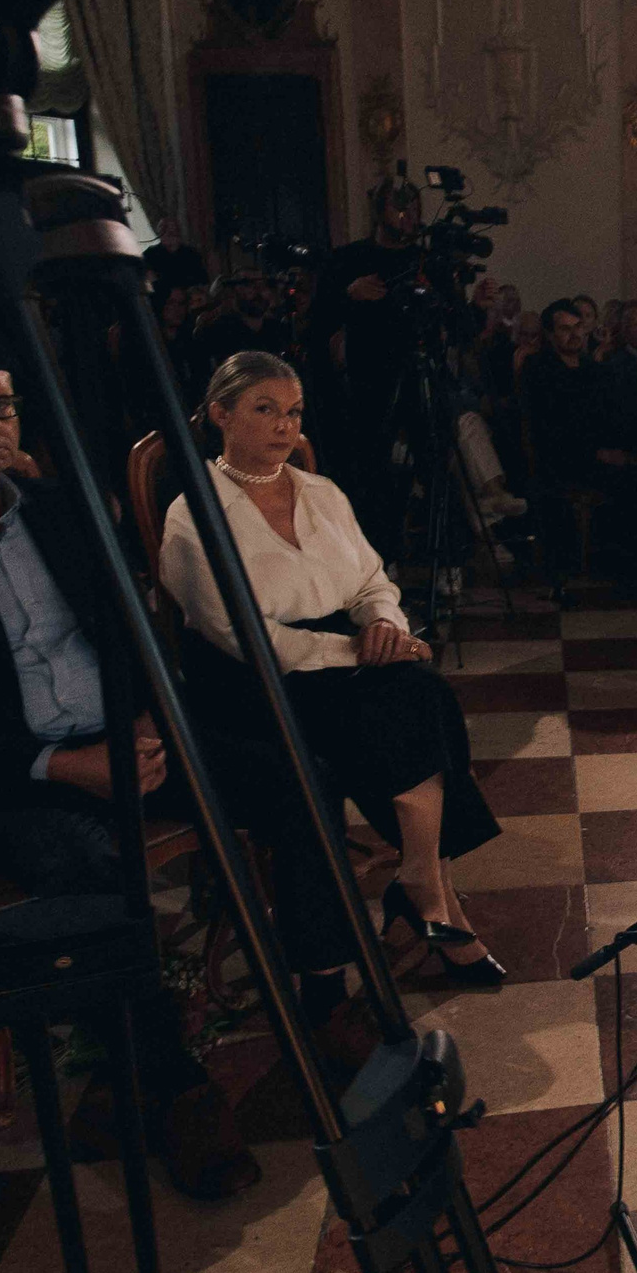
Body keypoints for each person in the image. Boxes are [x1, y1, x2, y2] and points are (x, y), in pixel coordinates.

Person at [0, 343, 267, 1199]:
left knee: (285, 776)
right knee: (90, 870)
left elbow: (132, 629)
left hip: (112, 733)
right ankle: (173, 1084)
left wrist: (150, 721)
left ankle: (323, 1005)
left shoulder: (55, 507)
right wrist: (59, 764)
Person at [161, 352, 508, 990]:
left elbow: (371, 581)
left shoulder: (321, 493)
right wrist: (356, 652)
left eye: (293, 412)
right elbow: (241, 637)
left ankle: (423, 882)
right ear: (219, 414)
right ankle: (432, 899)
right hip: (247, 681)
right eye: (264, 409)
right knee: (398, 703)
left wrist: (384, 626)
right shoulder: (194, 513)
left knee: (419, 691)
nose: (283, 427)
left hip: (339, 659)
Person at [313, 179, 434, 558]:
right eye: (400, 208)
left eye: (414, 209)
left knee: (434, 461)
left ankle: (444, 561)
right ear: (380, 212)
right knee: (369, 471)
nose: (409, 217)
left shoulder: (423, 260)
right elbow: (320, 318)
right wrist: (351, 293)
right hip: (367, 378)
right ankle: (374, 557)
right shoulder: (348, 258)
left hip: (418, 372)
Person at [519, 298, 637, 582]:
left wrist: (635, 447)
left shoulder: (591, 367)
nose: (575, 334)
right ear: (550, 333)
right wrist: (598, 453)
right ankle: (624, 566)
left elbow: (612, 415)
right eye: (565, 329)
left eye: (578, 327)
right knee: (633, 480)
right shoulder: (538, 367)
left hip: (597, 450)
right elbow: (549, 427)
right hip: (563, 457)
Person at [195, 268, 293, 369]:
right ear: (234, 291)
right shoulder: (217, 332)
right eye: (248, 285)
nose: (258, 291)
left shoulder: (278, 330)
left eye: (262, 285)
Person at [142, 216, 210, 300]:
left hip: (188, 302)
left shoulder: (191, 255)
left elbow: (203, 282)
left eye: (173, 232)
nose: (169, 235)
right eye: (164, 230)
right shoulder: (150, 254)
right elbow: (146, 281)